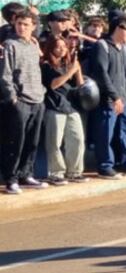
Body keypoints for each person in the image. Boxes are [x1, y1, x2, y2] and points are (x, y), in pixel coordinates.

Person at [90, 16, 126, 179]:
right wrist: (114, 96)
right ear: (119, 29)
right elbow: (102, 74)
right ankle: (105, 165)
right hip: (109, 100)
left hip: (125, 98)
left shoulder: (124, 48)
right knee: (106, 133)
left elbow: (125, 75)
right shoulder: (102, 46)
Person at [0, 10, 47, 194]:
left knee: (32, 141)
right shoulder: (10, 45)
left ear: (33, 26)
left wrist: (41, 93)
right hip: (20, 101)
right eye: (19, 23)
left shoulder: (34, 45)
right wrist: (13, 98)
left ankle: (26, 174)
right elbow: (5, 74)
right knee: (15, 142)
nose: (21, 27)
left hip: (37, 99)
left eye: (26, 24)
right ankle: (11, 178)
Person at [40, 35, 86, 185]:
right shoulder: (46, 65)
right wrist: (70, 72)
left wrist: (77, 69)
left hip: (71, 106)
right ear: (51, 48)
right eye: (58, 47)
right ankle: (56, 172)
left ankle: (74, 171)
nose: (61, 50)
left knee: (77, 139)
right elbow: (53, 85)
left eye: (64, 47)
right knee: (54, 142)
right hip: (55, 106)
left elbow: (80, 84)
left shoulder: (68, 64)